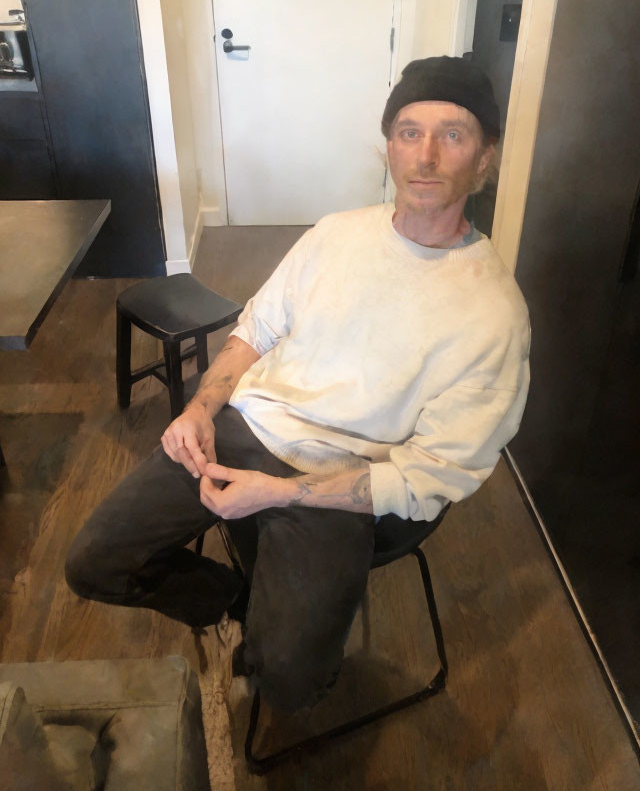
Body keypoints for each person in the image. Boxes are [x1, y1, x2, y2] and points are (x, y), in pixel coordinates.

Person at [66, 56, 530, 714]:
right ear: (388, 147)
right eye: (407, 131)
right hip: (246, 426)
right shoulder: (336, 236)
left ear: (485, 159)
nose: (425, 155)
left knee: (288, 687)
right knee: (93, 563)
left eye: (452, 135)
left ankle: (275, 643)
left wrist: (280, 492)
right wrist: (200, 407)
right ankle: (237, 606)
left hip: (345, 477)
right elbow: (257, 326)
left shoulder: (493, 314)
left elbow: (430, 476)